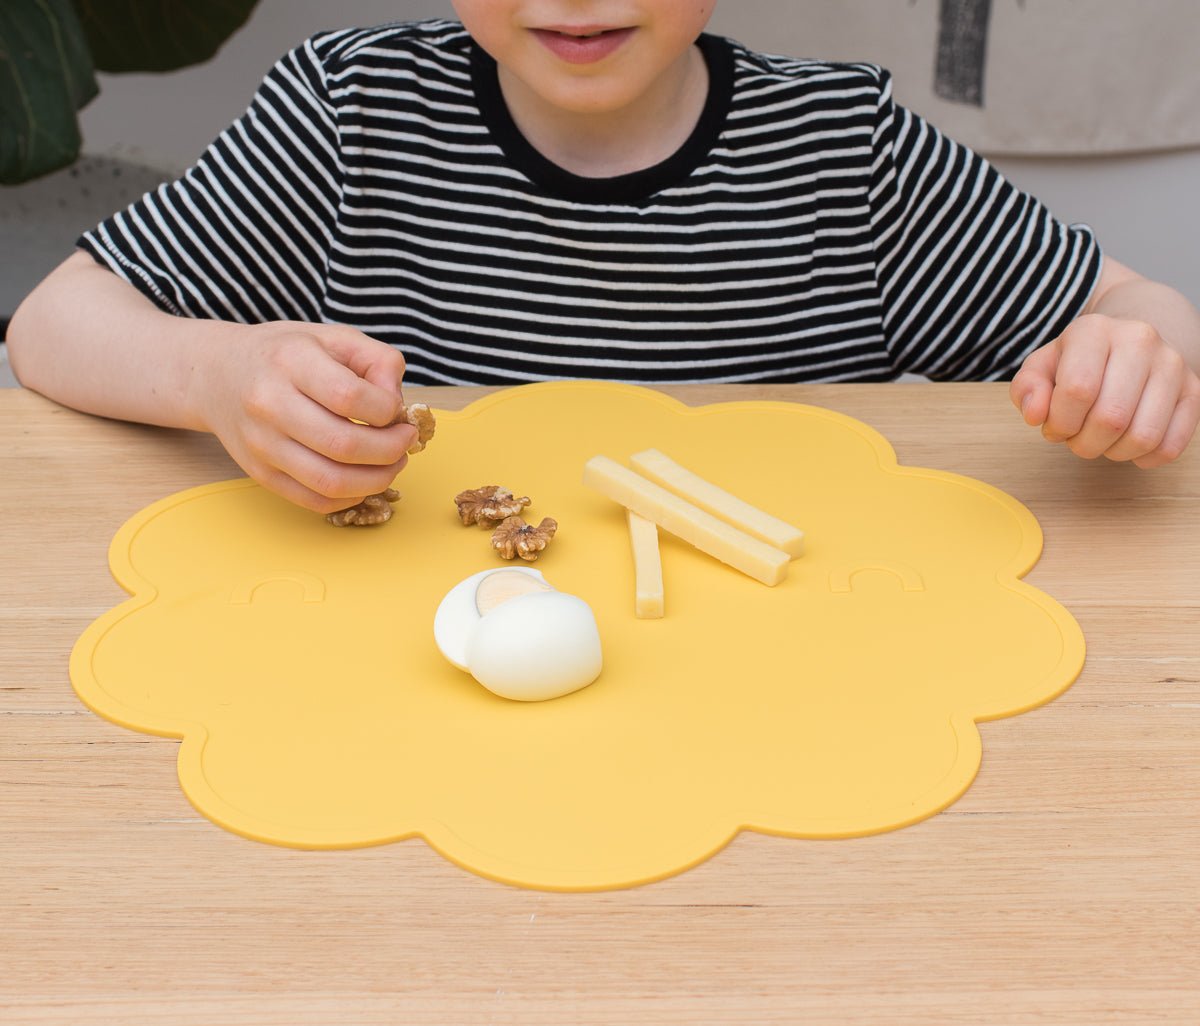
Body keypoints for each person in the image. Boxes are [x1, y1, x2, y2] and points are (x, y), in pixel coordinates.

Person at [9, 1, 1200, 516]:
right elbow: (52, 327)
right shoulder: (351, 108)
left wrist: (1132, 355)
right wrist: (216, 376)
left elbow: (1140, 307)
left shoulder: (849, 149)